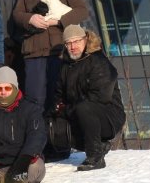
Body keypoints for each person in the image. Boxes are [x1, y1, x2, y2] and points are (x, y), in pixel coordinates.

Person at [12, 0, 89, 111]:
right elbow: (16, 14)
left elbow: (82, 11)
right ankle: (37, 136)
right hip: (34, 51)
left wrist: (59, 21)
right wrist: (30, 19)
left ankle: (58, 135)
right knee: (34, 101)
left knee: (58, 97)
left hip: (59, 50)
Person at [53, 25, 126, 171]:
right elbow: (58, 95)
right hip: (78, 113)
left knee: (84, 108)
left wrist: (67, 109)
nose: (73, 46)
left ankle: (95, 157)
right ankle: (52, 153)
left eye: (76, 41)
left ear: (85, 40)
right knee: (50, 122)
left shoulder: (99, 61)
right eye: (69, 43)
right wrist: (56, 109)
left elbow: (100, 97)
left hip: (109, 117)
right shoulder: (65, 66)